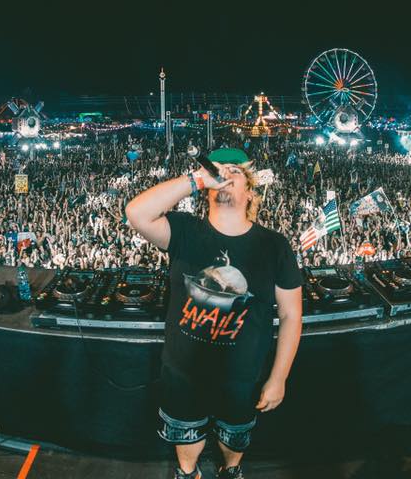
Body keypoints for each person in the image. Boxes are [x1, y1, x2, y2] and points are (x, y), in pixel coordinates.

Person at [126, 148, 303, 479]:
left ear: (250, 193)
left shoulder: (274, 245)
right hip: (183, 372)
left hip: (243, 375)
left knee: (234, 438)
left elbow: (292, 315)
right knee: (185, 437)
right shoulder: (184, 231)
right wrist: (196, 179)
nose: (226, 172)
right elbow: (136, 213)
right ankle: (187, 473)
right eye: (221, 169)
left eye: (236, 171)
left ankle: (230, 471)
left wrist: (279, 378)